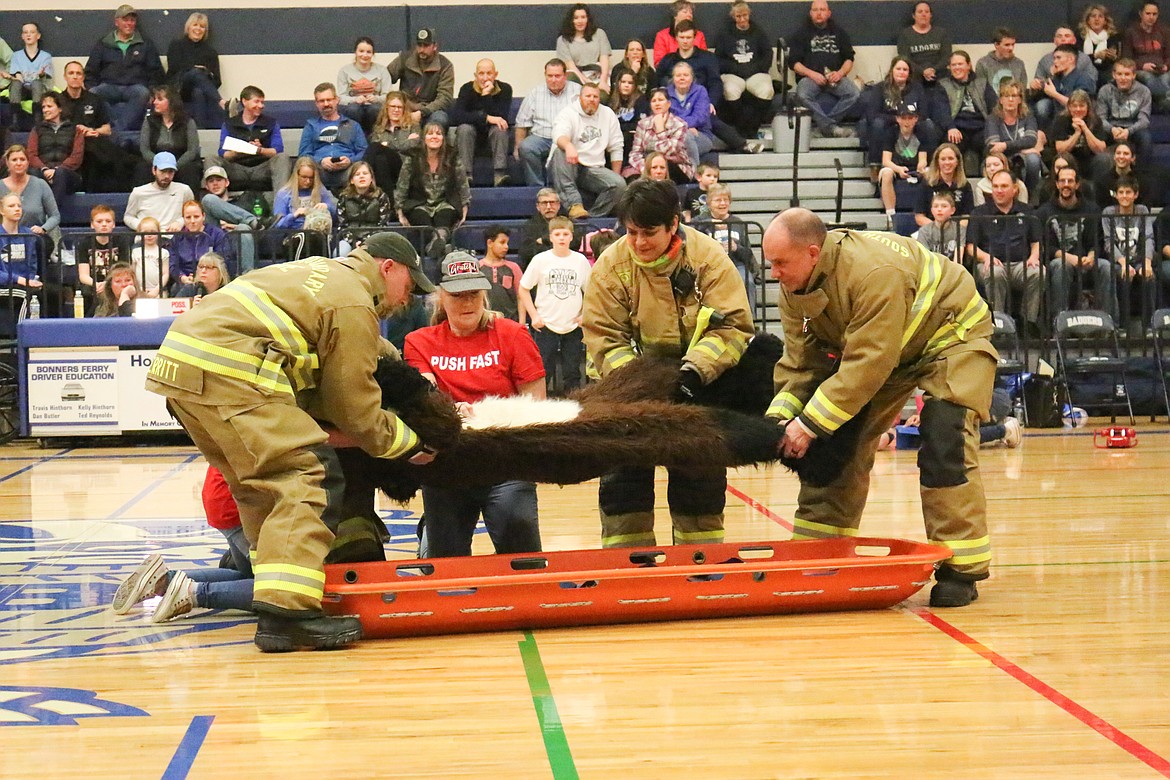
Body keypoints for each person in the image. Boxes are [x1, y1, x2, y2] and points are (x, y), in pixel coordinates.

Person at [144, 231, 438, 652]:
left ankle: (276, 614)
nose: (407, 297)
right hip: (234, 372)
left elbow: (345, 342)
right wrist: (407, 443)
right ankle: (291, 612)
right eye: (410, 285)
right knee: (305, 475)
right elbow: (351, 404)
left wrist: (392, 360)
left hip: (183, 372)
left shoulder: (320, 273)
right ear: (388, 267)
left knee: (260, 489)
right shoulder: (353, 298)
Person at [764, 208, 995, 607]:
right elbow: (802, 362)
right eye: (771, 263)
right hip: (890, 349)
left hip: (950, 337)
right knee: (840, 439)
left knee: (945, 439)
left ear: (813, 253)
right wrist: (780, 420)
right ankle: (820, 550)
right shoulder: (794, 285)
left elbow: (870, 362)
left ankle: (961, 568)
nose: (773, 273)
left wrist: (810, 424)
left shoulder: (873, 273)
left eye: (780, 262)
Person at [583, 179, 753, 549]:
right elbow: (603, 338)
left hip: (696, 382)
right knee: (623, 484)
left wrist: (693, 373)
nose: (639, 243)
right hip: (625, 391)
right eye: (631, 232)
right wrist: (641, 386)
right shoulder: (611, 266)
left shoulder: (709, 259)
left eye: (649, 232)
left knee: (700, 481)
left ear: (673, 224)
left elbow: (733, 327)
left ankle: (702, 566)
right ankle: (628, 568)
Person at [404, 252, 545, 558]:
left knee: (522, 558)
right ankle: (430, 538)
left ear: (484, 294)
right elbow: (426, 400)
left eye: (473, 294)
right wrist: (448, 414)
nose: (467, 303)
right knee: (446, 566)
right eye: (457, 295)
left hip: (506, 462)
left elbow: (537, 408)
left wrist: (486, 416)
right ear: (441, 297)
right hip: (447, 466)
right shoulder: (419, 342)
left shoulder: (514, 335)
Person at [112, 465, 256, 623]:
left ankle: (164, 581)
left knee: (250, 575)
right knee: (281, 587)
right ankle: (192, 593)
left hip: (224, 493)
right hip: (243, 501)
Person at [519, 215, 591, 395]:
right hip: (546, 324)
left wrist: (585, 314)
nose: (561, 238)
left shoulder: (580, 261)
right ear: (550, 237)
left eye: (565, 234)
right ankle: (541, 408)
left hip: (573, 325)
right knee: (544, 370)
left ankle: (574, 407)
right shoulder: (540, 260)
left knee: (572, 372)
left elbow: (591, 291)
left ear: (571, 237)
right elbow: (523, 288)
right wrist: (534, 316)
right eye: (557, 234)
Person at [966, 169, 1042, 331]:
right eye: (995, 186)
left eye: (1004, 186)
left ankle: (1028, 322)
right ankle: (999, 323)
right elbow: (971, 247)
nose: (999, 190)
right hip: (990, 264)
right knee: (996, 272)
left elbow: (1036, 242)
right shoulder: (979, 213)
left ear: (1015, 189)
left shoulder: (1027, 211)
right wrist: (986, 257)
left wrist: (1034, 257)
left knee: (1038, 272)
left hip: (1020, 265)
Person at [396, 121, 470, 273]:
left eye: (438, 133)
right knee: (421, 217)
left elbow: (462, 183)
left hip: (444, 202)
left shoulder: (453, 156)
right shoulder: (413, 157)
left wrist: (464, 206)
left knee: (445, 216)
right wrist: (399, 211)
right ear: (424, 138)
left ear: (443, 138)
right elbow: (402, 185)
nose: (434, 137)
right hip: (419, 202)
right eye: (430, 133)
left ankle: (437, 242)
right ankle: (441, 244)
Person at [1036, 164, 1107, 317]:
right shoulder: (1044, 212)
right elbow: (1047, 247)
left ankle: (1110, 323)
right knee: (1061, 266)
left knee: (1106, 266)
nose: (1066, 185)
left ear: (1077, 184)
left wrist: (1091, 256)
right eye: (1062, 181)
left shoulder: (1092, 209)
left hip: (1087, 261)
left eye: (1070, 181)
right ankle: (1059, 322)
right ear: (1056, 184)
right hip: (1059, 261)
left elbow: (1097, 240)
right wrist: (1071, 259)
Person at [548, 83, 626, 220]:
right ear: (580, 97)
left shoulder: (607, 114)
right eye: (588, 96)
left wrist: (615, 175)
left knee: (619, 185)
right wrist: (569, 146)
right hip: (568, 165)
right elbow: (559, 135)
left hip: (593, 169)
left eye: (595, 96)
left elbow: (617, 147)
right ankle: (574, 205)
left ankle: (592, 218)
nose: (591, 99)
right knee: (560, 151)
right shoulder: (568, 112)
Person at [84, 4, 165, 132]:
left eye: (132, 20)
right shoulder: (103, 43)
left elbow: (156, 71)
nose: (129, 23)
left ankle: (114, 129)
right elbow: (90, 70)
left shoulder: (145, 44)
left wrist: (152, 91)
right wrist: (90, 86)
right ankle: (118, 128)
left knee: (143, 93)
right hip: (109, 86)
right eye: (125, 20)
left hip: (135, 87)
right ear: (117, 22)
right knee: (94, 93)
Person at [57, 60, 134, 192]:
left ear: (83, 77)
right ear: (65, 77)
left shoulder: (94, 99)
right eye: (71, 73)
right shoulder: (58, 100)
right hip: (69, 143)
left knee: (100, 148)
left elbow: (107, 129)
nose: (75, 76)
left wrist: (93, 130)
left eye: (78, 73)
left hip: (94, 140)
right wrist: (79, 132)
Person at [788, 0, 860, 139]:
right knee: (801, 95)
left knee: (854, 94)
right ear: (810, 13)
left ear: (828, 13)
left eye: (822, 9)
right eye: (815, 10)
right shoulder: (801, 34)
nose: (819, 13)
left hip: (835, 77)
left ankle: (825, 127)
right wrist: (811, 74)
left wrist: (840, 73)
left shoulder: (840, 33)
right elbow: (793, 63)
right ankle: (831, 128)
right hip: (810, 78)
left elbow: (849, 59)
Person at [514, 59, 582, 186]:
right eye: (550, 76)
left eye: (557, 76)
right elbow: (522, 123)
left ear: (565, 76)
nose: (553, 79)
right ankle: (537, 189)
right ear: (545, 75)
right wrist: (517, 147)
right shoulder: (535, 93)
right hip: (542, 138)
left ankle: (566, 188)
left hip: (569, 139)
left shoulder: (578, 92)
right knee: (526, 147)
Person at [713, 0, 775, 137]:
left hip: (756, 72)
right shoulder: (724, 34)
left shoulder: (758, 32)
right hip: (732, 73)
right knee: (729, 90)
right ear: (733, 17)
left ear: (749, 15)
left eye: (745, 15)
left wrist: (754, 68)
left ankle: (753, 127)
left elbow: (768, 54)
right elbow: (718, 59)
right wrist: (736, 69)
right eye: (738, 16)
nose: (742, 19)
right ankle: (740, 128)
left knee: (766, 90)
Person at [1101, 175, 1156, 326]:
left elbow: (1148, 237)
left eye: (1128, 192)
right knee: (1123, 276)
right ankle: (1123, 326)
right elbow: (1108, 242)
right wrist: (1124, 263)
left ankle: (1150, 326)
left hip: (1139, 260)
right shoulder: (1108, 212)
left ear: (1135, 195)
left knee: (1149, 277)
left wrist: (1147, 262)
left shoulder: (1142, 210)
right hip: (1119, 262)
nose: (1124, 196)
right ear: (1116, 195)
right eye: (1121, 192)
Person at [216, 85, 291, 194]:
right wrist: (238, 151)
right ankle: (215, 203)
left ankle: (281, 205)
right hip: (237, 168)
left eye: (262, 102)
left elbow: (278, 150)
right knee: (211, 159)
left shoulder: (270, 123)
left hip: (262, 168)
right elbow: (223, 153)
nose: (261, 105)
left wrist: (260, 150)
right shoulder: (229, 124)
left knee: (283, 158)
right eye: (256, 102)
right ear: (244, 101)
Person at [860, 56, 931, 170]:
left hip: (912, 125)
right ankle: (875, 165)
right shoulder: (880, 88)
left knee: (928, 125)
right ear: (892, 70)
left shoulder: (917, 88)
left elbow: (924, 113)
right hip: (889, 125)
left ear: (909, 73)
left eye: (905, 69)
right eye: (898, 69)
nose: (901, 72)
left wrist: (909, 121)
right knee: (877, 124)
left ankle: (928, 165)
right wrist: (897, 120)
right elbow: (872, 114)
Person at [450, 59, 513, 188]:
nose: (485, 78)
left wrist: (486, 95)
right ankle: (465, 175)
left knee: (500, 128)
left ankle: (499, 175)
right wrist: (487, 118)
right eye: (481, 73)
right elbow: (458, 116)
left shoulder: (505, 89)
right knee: (464, 128)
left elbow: (502, 116)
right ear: (475, 75)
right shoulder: (467, 89)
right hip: (470, 139)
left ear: (496, 75)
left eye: (489, 73)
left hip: (493, 139)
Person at [693, 182, 757, 305]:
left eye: (726, 200)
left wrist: (736, 247)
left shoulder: (738, 223)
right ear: (709, 203)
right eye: (718, 200)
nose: (723, 203)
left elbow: (748, 254)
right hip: (709, 265)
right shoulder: (700, 221)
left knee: (747, 281)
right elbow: (688, 234)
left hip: (735, 264)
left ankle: (750, 321)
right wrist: (710, 223)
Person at [0, 145, 60, 273]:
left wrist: (43, 228)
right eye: (14, 160)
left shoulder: (40, 184)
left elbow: (55, 216)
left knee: (43, 243)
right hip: (4, 237)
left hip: (34, 236)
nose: (19, 163)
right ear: (7, 163)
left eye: (22, 159)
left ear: (28, 162)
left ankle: (38, 283)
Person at [298, 83, 367, 192]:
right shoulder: (311, 126)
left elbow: (364, 151)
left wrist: (350, 160)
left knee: (363, 169)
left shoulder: (353, 125)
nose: (326, 104)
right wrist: (321, 161)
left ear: (337, 100)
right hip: (319, 173)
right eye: (321, 101)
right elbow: (303, 154)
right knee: (303, 165)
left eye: (329, 100)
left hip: (348, 172)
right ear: (316, 103)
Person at [985, 79, 1043, 199]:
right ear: (1000, 100)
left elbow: (1031, 140)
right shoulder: (993, 119)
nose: (1010, 100)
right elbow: (994, 148)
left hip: (1021, 158)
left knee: (1033, 159)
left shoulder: (1028, 116)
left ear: (1020, 99)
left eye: (1014, 96)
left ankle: (1029, 196)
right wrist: (1021, 150)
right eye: (1006, 96)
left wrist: (1005, 146)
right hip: (1000, 158)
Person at [138, 84, 202, 192]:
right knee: (142, 168)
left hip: (181, 161)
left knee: (190, 170)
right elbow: (145, 149)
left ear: (172, 101)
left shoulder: (187, 121)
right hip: (156, 160)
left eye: (160, 99)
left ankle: (190, 205)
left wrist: (172, 167)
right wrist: (160, 165)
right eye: (155, 99)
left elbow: (192, 151)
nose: (154, 102)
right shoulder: (149, 121)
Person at [386, 28, 455, 128]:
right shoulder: (405, 58)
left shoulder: (445, 66)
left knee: (440, 119)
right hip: (404, 107)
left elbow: (445, 98)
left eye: (426, 46)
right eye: (419, 45)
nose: (421, 49)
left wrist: (423, 112)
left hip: (430, 110)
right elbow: (386, 77)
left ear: (435, 46)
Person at [165, 12, 224, 128]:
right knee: (195, 73)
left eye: (202, 26)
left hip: (200, 90)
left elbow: (217, 80)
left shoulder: (210, 51)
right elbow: (174, 67)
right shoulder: (176, 45)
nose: (198, 29)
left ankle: (200, 132)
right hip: (179, 87)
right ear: (188, 27)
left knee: (199, 92)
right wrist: (196, 69)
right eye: (195, 25)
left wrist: (206, 73)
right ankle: (221, 102)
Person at [199, 165, 261, 275]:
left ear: (227, 182)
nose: (215, 184)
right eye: (211, 181)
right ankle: (251, 220)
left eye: (219, 180)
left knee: (243, 228)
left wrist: (232, 226)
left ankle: (247, 276)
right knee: (208, 199)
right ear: (206, 186)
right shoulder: (202, 205)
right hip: (215, 240)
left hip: (237, 240)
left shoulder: (242, 202)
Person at [1096, 59, 1154, 173]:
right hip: (1111, 129)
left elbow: (1144, 120)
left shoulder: (1144, 91)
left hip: (1133, 129)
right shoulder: (1105, 90)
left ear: (1134, 75)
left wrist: (1128, 131)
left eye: (1127, 74)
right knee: (1096, 132)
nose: (1123, 78)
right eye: (1119, 74)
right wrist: (1112, 129)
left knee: (1146, 137)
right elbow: (1100, 118)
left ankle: (1140, 174)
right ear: (1114, 75)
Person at [938, 51, 990, 176]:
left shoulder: (982, 83)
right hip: (957, 129)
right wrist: (950, 127)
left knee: (992, 145)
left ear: (968, 65)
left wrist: (991, 128)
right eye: (953, 65)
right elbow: (941, 110)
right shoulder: (943, 85)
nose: (956, 68)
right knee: (949, 148)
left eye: (960, 64)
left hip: (981, 127)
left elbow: (994, 108)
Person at [76, 203, 134, 315]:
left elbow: (124, 269)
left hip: (115, 282)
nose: (104, 224)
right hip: (93, 284)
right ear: (92, 225)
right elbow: (83, 275)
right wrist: (97, 284)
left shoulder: (121, 241)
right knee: (87, 293)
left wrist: (107, 283)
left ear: (114, 224)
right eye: (99, 221)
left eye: (108, 221)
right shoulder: (84, 243)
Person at [876, 102, 930, 220]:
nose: (907, 122)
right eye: (903, 118)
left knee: (930, 174)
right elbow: (886, 160)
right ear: (898, 119)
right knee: (886, 173)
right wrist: (898, 169)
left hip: (914, 169)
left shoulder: (922, 133)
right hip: (895, 167)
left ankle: (927, 210)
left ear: (916, 119)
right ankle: (891, 214)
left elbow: (923, 159)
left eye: (910, 118)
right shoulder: (891, 132)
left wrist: (921, 167)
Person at [627, 87, 694, 182]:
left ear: (668, 104)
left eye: (661, 100)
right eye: (654, 101)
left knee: (663, 167)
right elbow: (635, 153)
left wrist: (660, 131)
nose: (657, 103)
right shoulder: (642, 124)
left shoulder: (680, 125)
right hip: (648, 165)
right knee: (633, 179)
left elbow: (669, 151)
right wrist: (646, 169)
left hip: (674, 166)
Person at [28, 93, 84, 205]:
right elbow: (31, 154)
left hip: (67, 175)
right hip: (43, 172)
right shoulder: (37, 129)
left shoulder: (75, 129)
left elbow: (76, 156)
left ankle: (53, 216)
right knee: (32, 174)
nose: (45, 110)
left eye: (49, 106)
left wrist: (57, 170)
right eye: (43, 107)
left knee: (61, 174)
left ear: (60, 108)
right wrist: (44, 169)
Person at [168, 199, 233, 295]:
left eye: (196, 217)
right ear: (183, 219)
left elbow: (222, 261)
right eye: (188, 217)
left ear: (203, 216)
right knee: (175, 289)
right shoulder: (177, 238)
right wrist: (182, 277)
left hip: (212, 279)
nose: (192, 221)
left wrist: (203, 276)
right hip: (186, 280)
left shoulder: (216, 234)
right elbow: (173, 264)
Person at [366, 91, 421, 201]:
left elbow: (414, 147)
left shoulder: (413, 126)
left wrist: (387, 145)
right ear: (387, 108)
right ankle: (389, 201)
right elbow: (406, 145)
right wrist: (405, 143)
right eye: (393, 106)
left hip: (404, 166)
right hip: (386, 171)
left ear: (404, 109)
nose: (396, 110)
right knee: (380, 159)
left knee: (377, 148)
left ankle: (364, 175)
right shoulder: (379, 129)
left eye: (399, 107)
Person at [1029, 43, 1097, 130]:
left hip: (1078, 120)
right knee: (1041, 105)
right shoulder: (1058, 77)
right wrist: (1035, 85)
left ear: (1071, 59)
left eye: (1058, 58)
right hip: (1059, 117)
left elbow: (1078, 106)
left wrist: (1055, 94)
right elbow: (1041, 91)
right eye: (1054, 58)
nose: (1055, 62)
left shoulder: (1083, 79)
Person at [123, 151, 195, 232]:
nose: (166, 176)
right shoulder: (138, 192)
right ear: (154, 170)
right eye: (163, 171)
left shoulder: (184, 190)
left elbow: (192, 214)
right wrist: (143, 226)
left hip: (174, 239)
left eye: (170, 172)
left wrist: (180, 222)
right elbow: (128, 217)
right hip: (146, 238)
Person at [336, 161, 393, 256]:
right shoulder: (343, 198)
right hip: (349, 238)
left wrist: (365, 243)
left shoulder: (382, 197)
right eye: (357, 174)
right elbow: (342, 226)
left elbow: (383, 225)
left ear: (371, 178)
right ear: (352, 180)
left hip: (375, 239)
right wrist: (354, 242)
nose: (361, 176)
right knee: (341, 252)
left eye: (365, 173)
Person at [519, 188, 586, 269]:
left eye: (552, 202)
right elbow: (527, 252)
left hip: (568, 267)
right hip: (541, 268)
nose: (548, 207)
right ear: (538, 206)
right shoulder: (529, 226)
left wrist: (544, 240)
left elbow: (575, 245)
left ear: (558, 205)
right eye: (544, 203)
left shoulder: (571, 223)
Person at [337, 37, 391, 134]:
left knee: (375, 109)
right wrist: (355, 100)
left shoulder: (382, 70)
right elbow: (341, 97)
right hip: (354, 108)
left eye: (368, 52)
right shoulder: (345, 71)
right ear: (355, 52)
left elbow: (388, 96)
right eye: (361, 51)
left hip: (374, 108)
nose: (364, 55)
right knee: (354, 109)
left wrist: (376, 98)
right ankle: (355, 136)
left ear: (373, 54)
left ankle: (374, 136)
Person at [5, 23, 54, 127]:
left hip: (39, 89)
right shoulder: (16, 55)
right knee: (16, 84)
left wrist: (41, 75)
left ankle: (37, 120)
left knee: (36, 83)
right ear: (22, 36)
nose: (28, 35)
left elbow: (45, 79)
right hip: (23, 89)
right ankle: (15, 121)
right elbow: (18, 77)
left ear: (38, 36)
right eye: (25, 32)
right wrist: (11, 77)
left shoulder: (45, 56)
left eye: (32, 32)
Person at [0, 193, 43, 310]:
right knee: (26, 295)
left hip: (25, 282)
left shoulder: (28, 234)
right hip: (4, 284)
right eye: (11, 206)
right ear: (1, 211)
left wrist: (31, 279)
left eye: (19, 206)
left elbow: (32, 263)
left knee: (52, 293)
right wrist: (20, 280)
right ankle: (20, 328)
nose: (17, 209)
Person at [1123, 2, 1170, 107]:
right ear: (1141, 14)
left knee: (1165, 78)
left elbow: (1168, 55)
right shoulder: (1131, 32)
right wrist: (1142, 66)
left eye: (1154, 14)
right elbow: (1126, 59)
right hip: (1141, 69)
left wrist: (1166, 66)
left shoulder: (1165, 32)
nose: (1151, 17)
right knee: (1149, 78)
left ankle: (1162, 103)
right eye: (1148, 13)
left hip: (1162, 69)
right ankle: (1162, 103)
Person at [1051, 89, 1108, 175]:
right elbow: (1060, 150)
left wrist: (1085, 129)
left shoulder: (1096, 120)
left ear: (1087, 107)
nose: (1078, 109)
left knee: (1103, 159)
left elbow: (1101, 149)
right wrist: (1077, 133)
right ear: (1069, 107)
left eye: (1082, 106)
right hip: (1068, 160)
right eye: (1074, 106)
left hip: (1089, 161)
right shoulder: (1061, 120)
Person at [914, 142, 972, 226]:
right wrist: (939, 229)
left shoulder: (965, 185)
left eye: (951, 158)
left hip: (957, 233)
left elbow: (967, 217)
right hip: (931, 231)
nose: (947, 162)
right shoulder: (926, 184)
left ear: (957, 162)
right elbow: (919, 217)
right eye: (943, 159)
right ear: (937, 162)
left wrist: (952, 230)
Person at [556, 3, 612, 90]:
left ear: (588, 19)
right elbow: (571, 67)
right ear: (571, 20)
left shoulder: (599, 34)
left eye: (583, 17)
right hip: (577, 77)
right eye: (576, 18)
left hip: (599, 76)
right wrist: (589, 84)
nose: (580, 21)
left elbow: (604, 59)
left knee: (602, 97)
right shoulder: (563, 40)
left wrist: (603, 81)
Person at [897, 2, 951, 86]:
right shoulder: (905, 35)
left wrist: (934, 70)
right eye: (920, 12)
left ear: (930, 15)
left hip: (939, 76)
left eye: (926, 12)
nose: (923, 14)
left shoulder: (941, 33)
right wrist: (922, 71)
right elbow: (905, 58)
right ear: (913, 16)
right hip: (914, 77)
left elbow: (947, 57)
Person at [478, 226, 524, 321]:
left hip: (509, 322)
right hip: (483, 322)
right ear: (490, 243)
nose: (506, 246)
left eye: (507, 243)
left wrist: (522, 323)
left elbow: (521, 297)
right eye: (502, 242)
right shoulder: (477, 267)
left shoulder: (513, 267)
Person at [975, 27, 1027, 108]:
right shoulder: (983, 64)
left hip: (1015, 109)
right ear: (996, 45)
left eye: (1013, 44)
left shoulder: (1019, 64)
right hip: (992, 109)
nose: (1011, 48)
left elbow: (1022, 93)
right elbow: (981, 93)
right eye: (1007, 45)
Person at [609, 71, 650, 168]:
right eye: (623, 82)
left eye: (630, 83)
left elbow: (639, 124)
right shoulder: (611, 100)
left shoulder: (641, 100)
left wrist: (620, 126)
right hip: (614, 136)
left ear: (635, 85)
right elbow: (608, 123)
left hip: (632, 139)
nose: (626, 85)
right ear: (618, 83)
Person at [653, 0, 708, 66]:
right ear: (675, 15)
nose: (689, 15)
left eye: (691, 13)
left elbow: (705, 59)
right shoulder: (662, 36)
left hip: (696, 73)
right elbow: (659, 63)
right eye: (685, 12)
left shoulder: (699, 35)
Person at [1079, 4, 1122, 87]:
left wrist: (1114, 58)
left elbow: (1118, 60)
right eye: (1093, 16)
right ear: (1088, 20)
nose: (1097, 19)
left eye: (1100, 16)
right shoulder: (1081, 37)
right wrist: (1095, 56)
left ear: (1105, 21)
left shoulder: (1113, 37)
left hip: (1106, 70)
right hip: (1085, 71)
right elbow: (1079, 59)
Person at [915, 190, 965, 261]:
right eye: (935, 206)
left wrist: (953, 271)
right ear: (932, 210)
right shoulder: (924, 231)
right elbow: (924, 258)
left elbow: (958, 258)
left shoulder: (959, 229)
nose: (939, 209)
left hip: (951, 268)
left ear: (952, 210)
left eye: (944, 206)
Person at [131, 215, 169, 296]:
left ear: (159, 232)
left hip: (159, 291)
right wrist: (138, 289)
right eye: (145, 232)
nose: (149, 235)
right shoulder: (135, 252)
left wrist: (156, 290)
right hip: (139, 290)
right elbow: (132, 273)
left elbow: (165, 274)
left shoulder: (163, 253)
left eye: (153, 231)